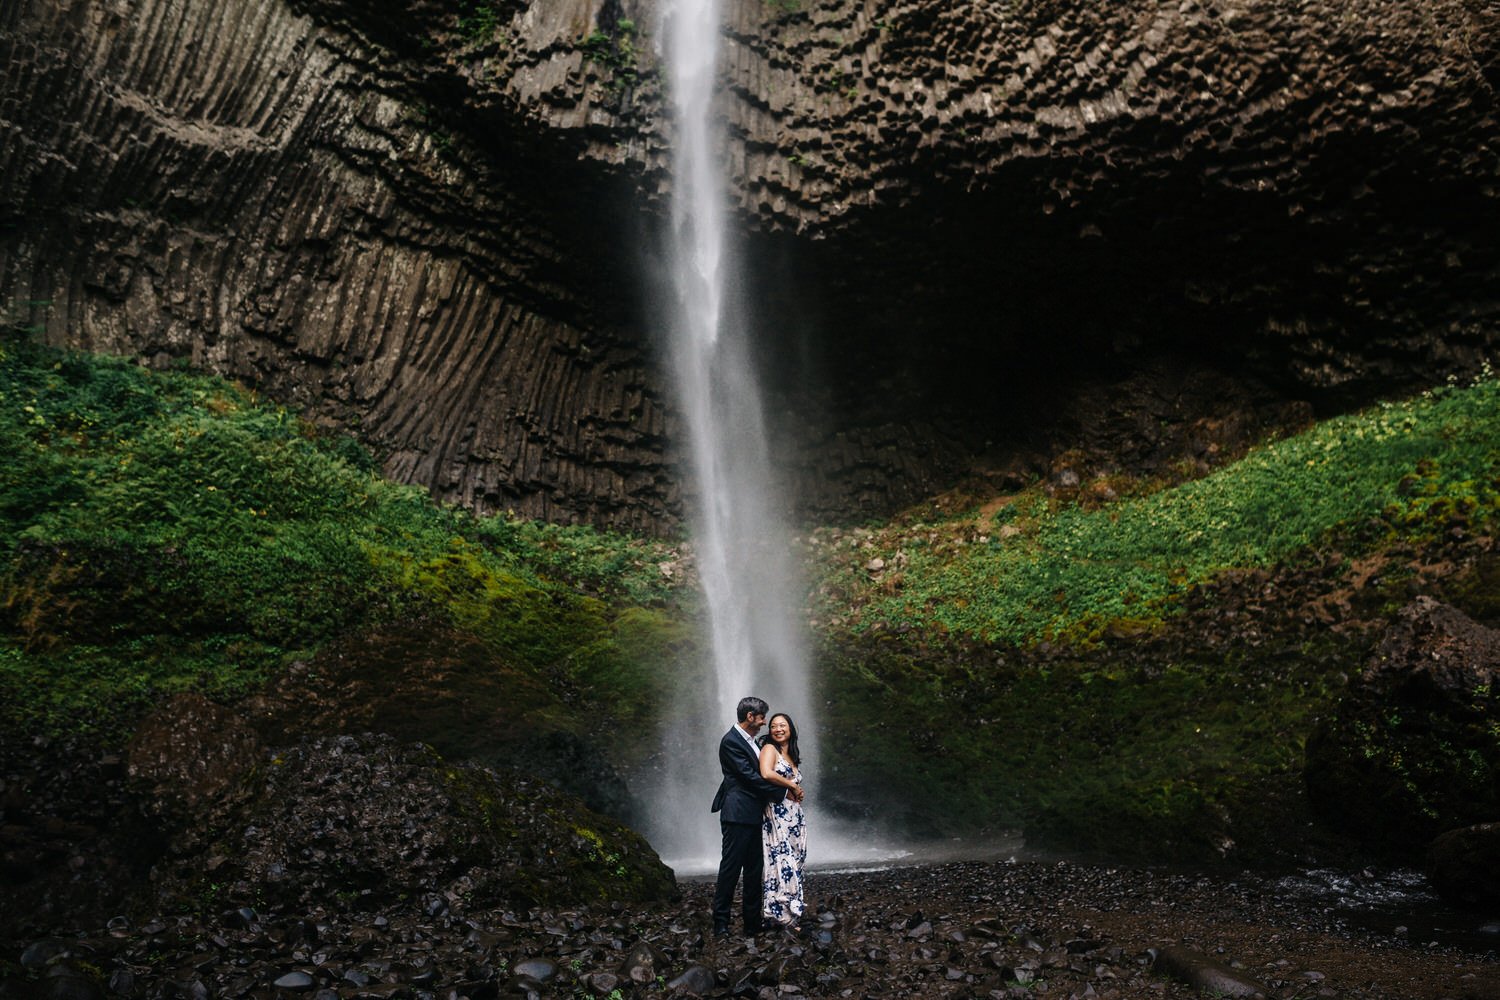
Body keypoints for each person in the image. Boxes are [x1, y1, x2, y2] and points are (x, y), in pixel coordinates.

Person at [711, 696, 794, 938]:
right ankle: (721, 923)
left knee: (754, 870)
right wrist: (784, 790)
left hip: (756, 815)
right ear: (750, 717)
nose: (764, 722)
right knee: (730, 868)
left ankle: (751, 922)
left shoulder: (753, 742)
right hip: (737, 814)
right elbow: (749, 776)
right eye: (761, 717)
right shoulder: (731, 742)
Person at [758, 712, 807, 929]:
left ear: (790, 729)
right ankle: (779, 914)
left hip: (794, 816)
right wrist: (793, 786)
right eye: (774, 726)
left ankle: (791, 911)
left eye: (782, 725)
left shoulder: (791, 755)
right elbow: (766, 773)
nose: (778, 729)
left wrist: (796, 791)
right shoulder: (770, 749)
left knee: (795, 859)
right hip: (776, 814)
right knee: (781, 860)